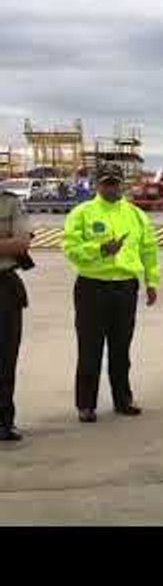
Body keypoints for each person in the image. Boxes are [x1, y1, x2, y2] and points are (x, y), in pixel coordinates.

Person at [63, 163, 159, 423]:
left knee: (121, 348)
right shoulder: (82, 213)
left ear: (122, 184)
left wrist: (152, 282)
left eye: (116, 182)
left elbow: (149, 250)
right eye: (106, 182)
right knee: (90, 349)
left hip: (125, 287)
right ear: (97, 184)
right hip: (92, 287)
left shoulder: (136, 214)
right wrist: (101, 249)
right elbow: (71, 249)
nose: (112, 187)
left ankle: (123, 399)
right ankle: (86, 405)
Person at [0, 188, 32, 442]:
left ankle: (3, 422)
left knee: (5, 359)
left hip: (4, 288)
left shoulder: (9, 202)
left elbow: (21, 242)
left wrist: (11, 242)